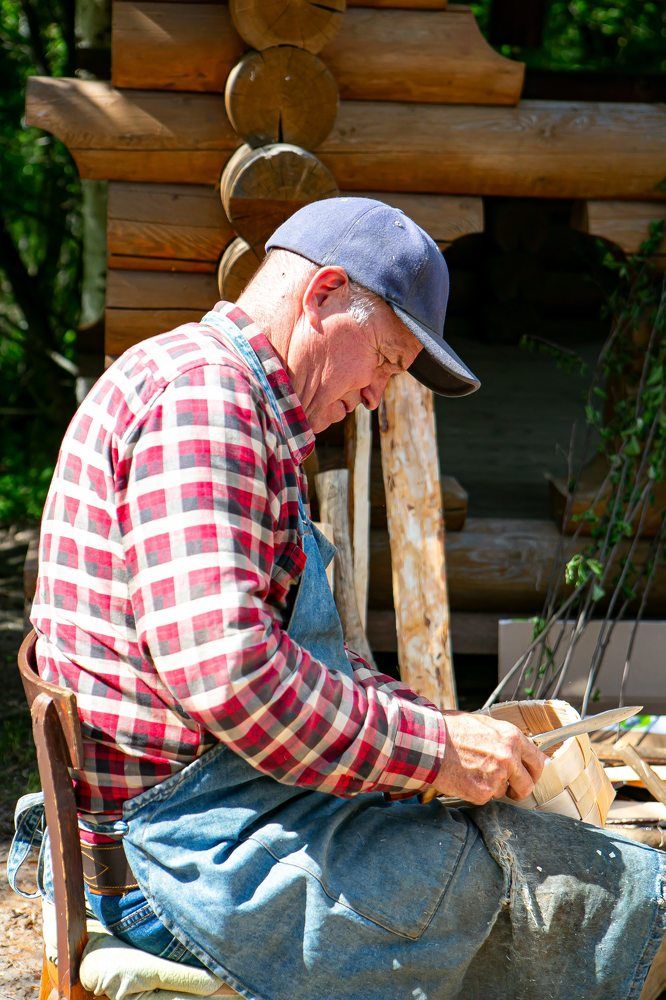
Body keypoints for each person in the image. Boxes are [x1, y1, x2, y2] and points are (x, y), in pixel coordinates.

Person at [10, 198, 665, 999]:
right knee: (569, 889)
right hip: (188, 862)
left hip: (217, 820)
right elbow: (234, 679)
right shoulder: (204, 404)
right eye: (386, 360)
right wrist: (433, 753)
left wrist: (442, 730)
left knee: (525, 858)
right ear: (322, 294)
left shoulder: (236, 403)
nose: (377, 397)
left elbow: (298, 661)